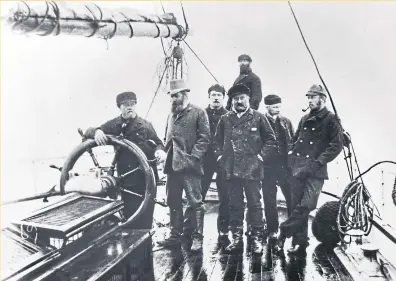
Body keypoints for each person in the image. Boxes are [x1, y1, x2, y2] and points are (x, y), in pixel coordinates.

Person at [276, 84, 343, 255]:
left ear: (322, 99)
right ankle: (299, 242)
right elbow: (295, 138)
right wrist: (291, 154)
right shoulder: (305, 118)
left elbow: (336, 145)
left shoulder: (331, 119)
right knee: (295, 205)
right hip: (297, 168)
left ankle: (283, 232)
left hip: (315, 169)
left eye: (313, 97)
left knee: (307, 204)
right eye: (308, 97)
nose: (310, 100)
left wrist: (319, 162)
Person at [84, 91, 166, 229]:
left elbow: (158, 142)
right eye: (125, 105)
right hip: (127, 181)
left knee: (146, 219)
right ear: (119, 107)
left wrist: (160, 151)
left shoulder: (146, 125)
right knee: (130, 216)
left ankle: (146, 247)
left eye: (132, 104)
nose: (130, 107)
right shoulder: (114, 125)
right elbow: (89, 131)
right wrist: (97, 132)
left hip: (147, 179)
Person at [214, 84, 276, 254]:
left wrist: (261, 157)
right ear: (231, 101)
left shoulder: (259, 117)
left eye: (242, 98)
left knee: (255, 204)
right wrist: (220, 156)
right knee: (234, 204)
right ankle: (236, 237)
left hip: (253, 169)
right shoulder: (225, 119)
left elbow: (271, 140)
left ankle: (256, 238)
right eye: (235, 99)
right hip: (231, 169)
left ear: (248, 99)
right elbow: (216, 142)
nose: (239, 101)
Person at [157, 79, 211, 252]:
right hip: (172, 168)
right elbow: (168, 140)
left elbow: (204, 139)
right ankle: (175, 235)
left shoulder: (198, 112)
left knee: (195, 202)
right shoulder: (170, 115)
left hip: (190, 167)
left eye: (176, 95)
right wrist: (162, 154)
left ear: (185, 95)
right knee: (173, 200)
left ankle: (197, 238)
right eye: (171, 96)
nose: (173, 99)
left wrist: (193, 158)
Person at [183, 84, 229, 243]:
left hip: (223, 161)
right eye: (213, 95)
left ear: (224, 97)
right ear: (209, 97)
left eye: (219, 95)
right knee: (197, 195)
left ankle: (223, 230)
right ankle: (189, 229)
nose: (216, 98)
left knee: (226, 195)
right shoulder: (200, 114)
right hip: (204, 160)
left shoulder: (229, 116)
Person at [261, 94, 295, 240]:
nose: (278, 110)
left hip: (284, 166)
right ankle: (272, 229)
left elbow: (292, 140)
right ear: (267, 107)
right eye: (275, 107)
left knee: (291, 197)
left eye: (279, 107)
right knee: (269, 198)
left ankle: (292, 228)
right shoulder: (260, 121)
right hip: (267, 167)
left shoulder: (286, 122)